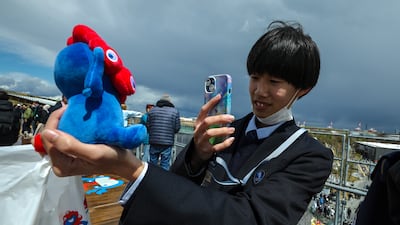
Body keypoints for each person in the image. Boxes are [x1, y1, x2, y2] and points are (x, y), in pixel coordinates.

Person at [38, 20, 333, 225]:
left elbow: (251, 218)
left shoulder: (310, 156)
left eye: (275, 82)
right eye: (255, 77)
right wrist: (197, 154)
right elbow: (178, 184)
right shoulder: (229, 127)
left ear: (303, 89)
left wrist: (130, 167)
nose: (259, 91)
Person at [147, 95, 180, 170]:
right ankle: (163, 180)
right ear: (169, 102)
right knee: (165, 164)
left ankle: (151, 178)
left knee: (152, 163)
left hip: (154, 141)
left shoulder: (152, 110)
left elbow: (148, 125)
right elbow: (177, 128)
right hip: (167, 142)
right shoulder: (175, 111)